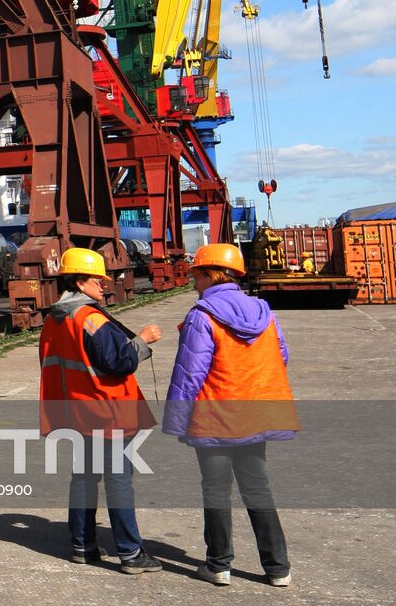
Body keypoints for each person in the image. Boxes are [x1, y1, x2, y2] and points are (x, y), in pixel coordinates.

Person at [163, 242, 298, 588]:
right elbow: (280, 356)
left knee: (216, 491)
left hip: (215, 419)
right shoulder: (264, 311)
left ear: (211, 275)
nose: (192, 281)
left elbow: (190, 374)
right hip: (254, 416)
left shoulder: (202, 315)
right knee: (258, 489)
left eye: (196, 275)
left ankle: (218, 564)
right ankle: (278, 568)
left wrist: (177, 420)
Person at [39, 247, 164, 573]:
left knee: (84, 477)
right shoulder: (91, 318)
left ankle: (82, 545)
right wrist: (143, 340)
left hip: (75, 412)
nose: (104, 285)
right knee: (118, 480)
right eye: (97, 280)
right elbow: (118, 362)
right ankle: (131, 554)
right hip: (107, 413)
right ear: (80, 282)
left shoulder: (54, 319)